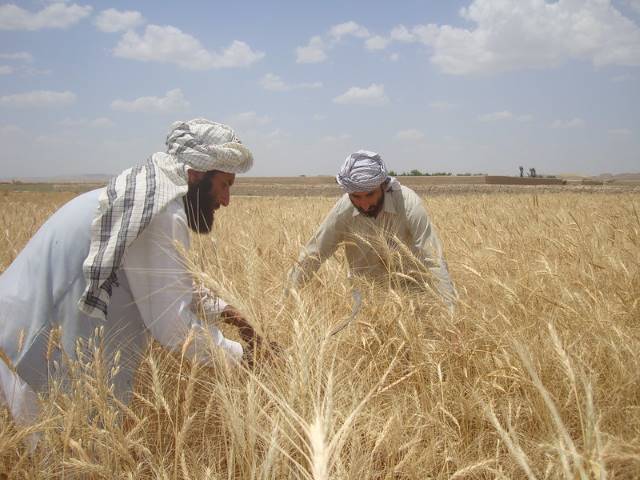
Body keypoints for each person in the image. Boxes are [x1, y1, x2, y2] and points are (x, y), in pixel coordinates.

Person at [0, 118, 262, 432]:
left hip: (17, 336)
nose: (226, 200)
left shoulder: (139, 200)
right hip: (31, 354)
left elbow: (167, 279)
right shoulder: (162, 215)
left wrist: (230, 314)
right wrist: (241, 358)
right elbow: (174, 325)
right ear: (197, 174)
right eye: (225, 185)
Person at [288, 150, 457, 308]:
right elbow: (313, 254)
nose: (365, 204)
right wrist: (286, 302)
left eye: (370, 194)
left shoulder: (408, 204)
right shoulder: (343, 210)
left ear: (383, 185)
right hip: (368, 301)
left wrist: (450, 311)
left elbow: (433, 259)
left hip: (414, 295)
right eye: (356, 196)